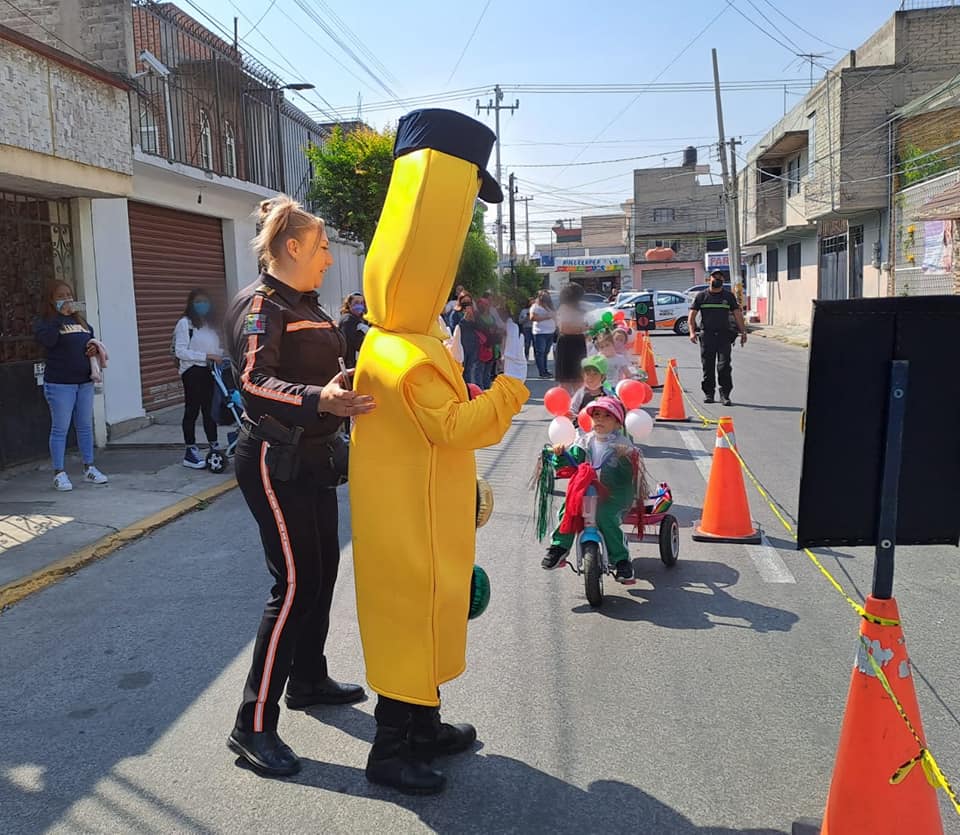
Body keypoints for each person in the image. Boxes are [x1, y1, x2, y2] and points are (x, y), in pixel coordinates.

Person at [351, 108, 528, 796]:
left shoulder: (399, 336)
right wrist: (511, 387)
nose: (454, 246)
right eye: (449, 234)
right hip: (409, 527)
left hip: (415, 514)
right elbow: (457, 427)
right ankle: (391, 749)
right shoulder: (406, 352)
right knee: (412, 624)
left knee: (422, 621)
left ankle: (422, 727)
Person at [223, 195, 375, 778]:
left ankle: (308, 680)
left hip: (313, 457)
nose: (329, 260)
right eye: (320, 249)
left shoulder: (302, 301)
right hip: (272, 457)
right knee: (290, 586)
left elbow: (307, 372)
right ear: (290, 247)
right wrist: (319, 399)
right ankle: (252, 724)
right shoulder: (262, 303)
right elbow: (255, 382)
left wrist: (335, 386)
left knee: (321, 574)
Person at [541, 396, 638, 581]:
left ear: (618, 423)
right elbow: (568, 464)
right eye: (596, 415)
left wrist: (623, 459)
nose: (600, 419)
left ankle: (621, 560)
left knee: (604, 516)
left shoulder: (623, 444)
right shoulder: (584, 442)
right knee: (569, 510)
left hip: (614, 494)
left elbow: (628, 475)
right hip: (587, 492)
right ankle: (559, 547)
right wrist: (560, 454)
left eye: (607, 416)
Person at [34, 281, 109, 492]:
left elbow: (90, 339)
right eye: (61, 295)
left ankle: (89, 467)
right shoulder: (46, 322)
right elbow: (47, 341)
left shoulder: (82, 322)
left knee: (85, 426)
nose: (66, 298)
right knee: (60, 428)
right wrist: (60, 317)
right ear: (51, 299)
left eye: (69, 295)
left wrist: (93, 349)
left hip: (84, 381)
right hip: (60, 384)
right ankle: (59, 473)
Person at [173, 289, 224, 469]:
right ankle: (190, 450)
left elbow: (216, 349)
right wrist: (206, 356)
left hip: (210, 371)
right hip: (193, 371)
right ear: (191, 304)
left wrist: (220, 356)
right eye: (198, 302)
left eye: (205, 301)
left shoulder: (210, 325)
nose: (202, 305)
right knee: (192, 410)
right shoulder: (184, 324)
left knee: (210, 410)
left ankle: (214, 444)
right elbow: (180, 351)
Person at [688, 270, 747, 406]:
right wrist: (692, 332)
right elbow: (691, 316)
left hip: (724, 336)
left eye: (720, 278)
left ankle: (725, 395)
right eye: (715, 277)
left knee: (724, 366)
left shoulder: (728, 297)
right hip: (707, 335)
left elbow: (737, 314)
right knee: (707, 366)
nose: (717, 279)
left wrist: (743, 332)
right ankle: (709, 394)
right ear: (709, 279)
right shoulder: (701, 296)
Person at [554, 283, 588, 390]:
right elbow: (564, 328)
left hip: (578, 342)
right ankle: (566, 403)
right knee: (566, 379)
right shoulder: (564, 308)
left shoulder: (579, 308)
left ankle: (578, 402)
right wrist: (583, 328)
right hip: (567, 343)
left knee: (579, 377)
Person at [569, 355, 615, 424]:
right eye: (588, 374)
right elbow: (573, 409)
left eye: (595, 374)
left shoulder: (607, 394)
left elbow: (614, 408)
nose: (590, 377)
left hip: (602, 427)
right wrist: (572, 416)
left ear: (602, 377)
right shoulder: (581, 393)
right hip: (582, 428)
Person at [449, 291, 482, 387]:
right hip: (460, 346)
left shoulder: (475, 314)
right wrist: (464, 319)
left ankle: (468, 392)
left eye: (469, 302)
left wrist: (473, 318)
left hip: (472, 345)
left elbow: (480, 328)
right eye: (465, 302)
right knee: (460, 371)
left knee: (469, 371)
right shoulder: (455, 313)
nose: (467, 305)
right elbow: (453, 328)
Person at [338, 291, 369, 368]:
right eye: (356, 302)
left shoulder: (364, 319)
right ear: (349, 304)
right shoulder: (348, 320)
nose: (360, 305)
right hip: (351, 363)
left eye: (362, 303)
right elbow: (348, 344)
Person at [530, 289, 556, 379]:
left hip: (550, 332)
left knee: (546, 352)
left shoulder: (550, 306)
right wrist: (546, 317)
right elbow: (532, 317)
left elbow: (555, 316)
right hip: (540, 332)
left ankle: (545, 370)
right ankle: (542, 372)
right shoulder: (535, 306)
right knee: (540, 353)